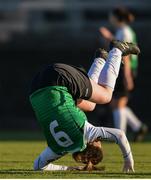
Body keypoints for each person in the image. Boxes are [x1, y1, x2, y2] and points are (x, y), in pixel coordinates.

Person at [29, 40, 140, 172]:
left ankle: (117, 50)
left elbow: (120, 135)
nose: (100, 140)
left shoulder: (87, 134)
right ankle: (101, 59)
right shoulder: (58, 149)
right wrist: (71, 168)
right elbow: (38, 166)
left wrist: (128, 161)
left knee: (106, 96)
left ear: (93, 144)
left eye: (100, 143)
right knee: (89, 105)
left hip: (59, 79)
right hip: (36, 88)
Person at [100, 7, 148, 141]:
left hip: (125, 70)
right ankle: (138, 127)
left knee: (118, 104)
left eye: (112, 16)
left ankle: (120, 136)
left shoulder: (125, 32)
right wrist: (109, 37)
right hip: (121, 70)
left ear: (116, 17)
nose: (110, 18)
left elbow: (125, 54)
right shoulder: (122, 31)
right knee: (116, 103)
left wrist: (127, 76)